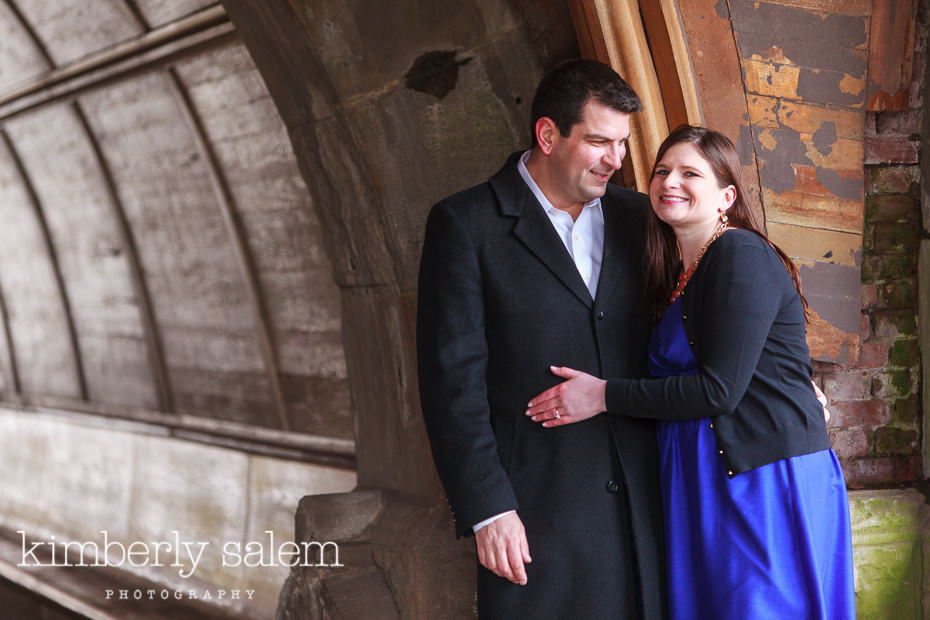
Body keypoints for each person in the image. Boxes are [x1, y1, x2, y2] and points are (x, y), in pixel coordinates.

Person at [526, 125, 855, 619]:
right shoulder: (684, 270)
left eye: (690, 173)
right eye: (662, 170)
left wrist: (602, 396)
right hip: (703, 477)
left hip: (757, 481)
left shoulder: (739, 254)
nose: (669, 181)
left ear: (727, 196)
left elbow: (720, 390)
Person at [416, 60, 666, 618]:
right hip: (535, 520)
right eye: (598, 142)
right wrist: (488, 508)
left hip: (649, 513)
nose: (616, 160)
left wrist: (787, 377)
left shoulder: (642, 217)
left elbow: (705, 314)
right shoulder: (465, 224)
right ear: (548, 135)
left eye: (622, 143)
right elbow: (450, 382)